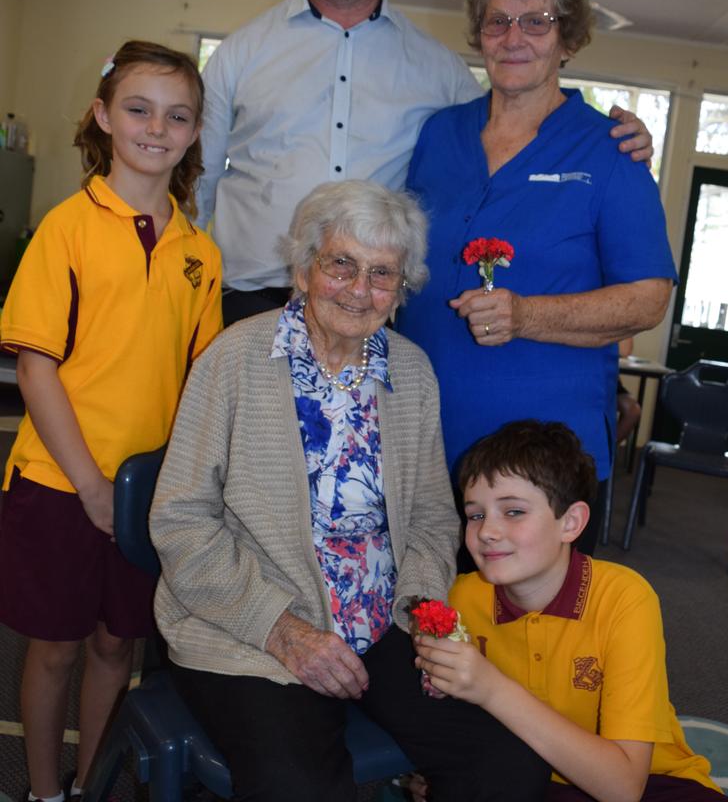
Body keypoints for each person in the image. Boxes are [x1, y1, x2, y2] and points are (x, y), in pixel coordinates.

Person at [149, 180, 551, 802]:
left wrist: (422, 610)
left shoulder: (411, 372)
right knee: (301, 788)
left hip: (384, 621)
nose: (360, 290)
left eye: (382, 274)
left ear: (400, 288)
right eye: (342, 264)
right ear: (306, 267)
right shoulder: (234, 360)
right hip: (252, 626)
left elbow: (429, 519)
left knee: (508, 765)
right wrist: (284, 631)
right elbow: (181, 521)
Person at [196, 0, 654, 325]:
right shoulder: (238, 55)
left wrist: (623, 139)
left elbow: (510, 141)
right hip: (248, 309)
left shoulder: (442, 75)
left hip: (371, 320)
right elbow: (194, 191)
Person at [397, 0, 677, 553]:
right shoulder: (440, 135)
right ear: (478, 33)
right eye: (498, 22)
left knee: (529, 642)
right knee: (420, 630)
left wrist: (526, 315)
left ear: (569, 37)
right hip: (422, 448)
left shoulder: (610, 152)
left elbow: (649, 300)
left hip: (545, 471)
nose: (513, 38)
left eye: (537, 21)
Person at [0, 41, 222, 802]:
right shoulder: (66, 228)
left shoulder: (202, 253)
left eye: (177, 114)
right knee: (54, 649)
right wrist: (93, 486)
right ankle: (42, 790)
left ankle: (89, 785)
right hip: (60, 483)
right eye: (138, 108)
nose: (156, 128)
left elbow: (200, 383)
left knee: (114, 646)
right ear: (103, 116)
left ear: (194, 132)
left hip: (147, 495)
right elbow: (36, 369)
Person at [415, 420, 725, 802]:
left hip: (654, 780)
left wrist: (489, 688)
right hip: (528, 776)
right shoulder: (461, 598)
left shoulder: (625, 598)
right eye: (475, 514)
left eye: (513, 512)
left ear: (571, 522)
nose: (487, 531)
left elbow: (624, 788)